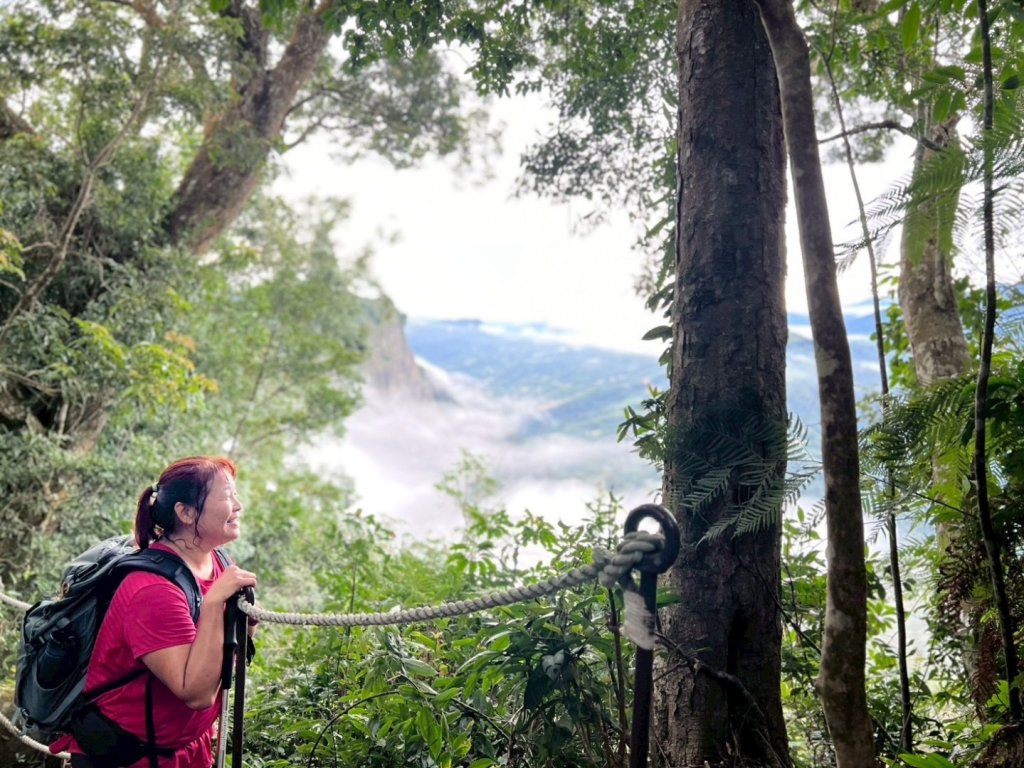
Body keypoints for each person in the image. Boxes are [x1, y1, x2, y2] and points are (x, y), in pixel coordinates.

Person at [50, 455, 258, 768]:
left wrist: (244, 619)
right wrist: (215, 604)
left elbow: (232, 647)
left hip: (187, 749)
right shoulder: (151, 590)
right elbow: (197, 694)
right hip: (128, 757)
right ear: (186, 513)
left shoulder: (217, 561)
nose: (238, 506)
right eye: (228, 496)